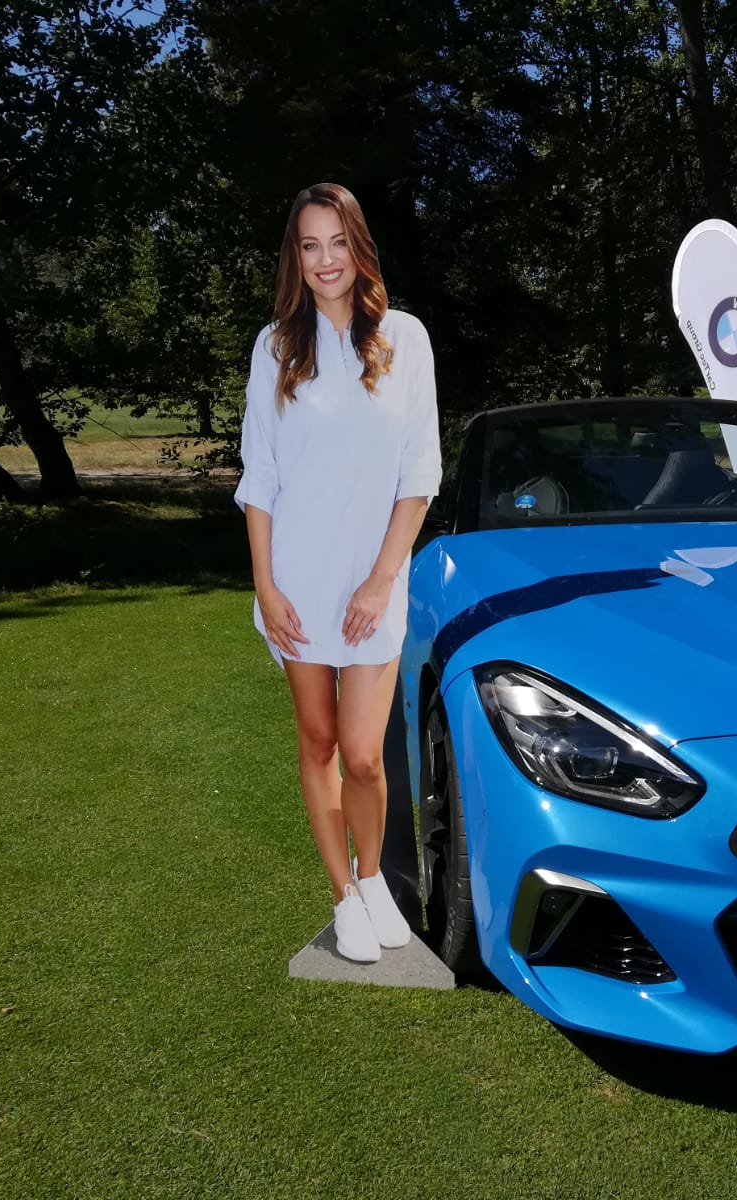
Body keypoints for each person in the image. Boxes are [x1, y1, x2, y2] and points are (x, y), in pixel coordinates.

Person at [234, 182, 441, 964]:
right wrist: (266, 585)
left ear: (360, 248)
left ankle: (373, 875)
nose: (325, 260)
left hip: (372, 583)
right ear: (295, 257)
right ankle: (343, 894)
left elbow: (420, 471)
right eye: (309, 245)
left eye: (337, 242)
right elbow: (260, 476)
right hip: (297, 579)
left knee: (363, 753)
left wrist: (382, 580)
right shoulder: (275, 348)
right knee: (318, 741)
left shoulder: (405, 339)